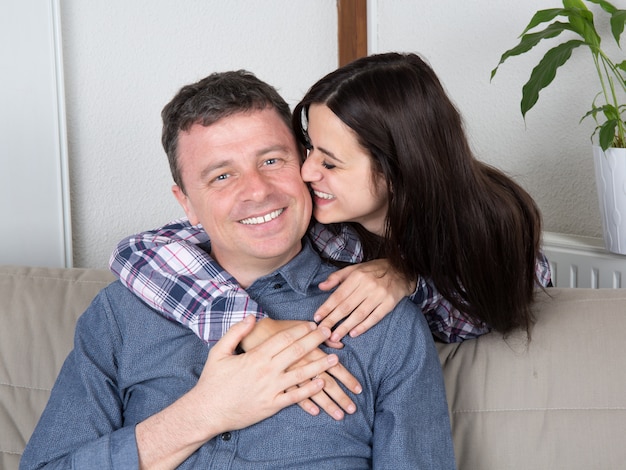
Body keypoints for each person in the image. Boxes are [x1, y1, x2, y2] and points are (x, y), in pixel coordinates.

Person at [21, 70, 455, 469]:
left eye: (271, 161)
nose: (257, 191)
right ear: (186, 203)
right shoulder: (119, 315)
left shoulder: (384, 321)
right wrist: (204, 412)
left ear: (306, 165)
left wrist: (407, 272)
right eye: (222, 177)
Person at [109, 52, 551, 349]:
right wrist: (251, 329)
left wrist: (409, 278)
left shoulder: (498, 222)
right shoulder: (325, 225)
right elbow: (138, 250)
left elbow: (497, 301)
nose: (305, 172)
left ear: (399, 171)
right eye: (309, 148)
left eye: (331, 163)